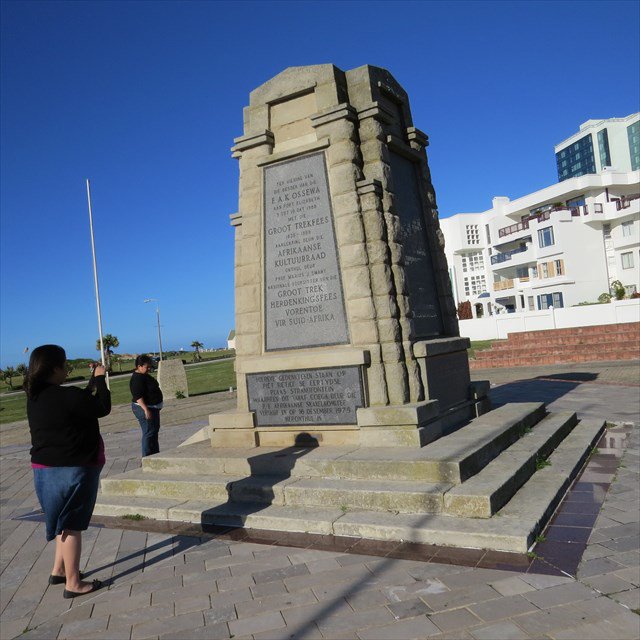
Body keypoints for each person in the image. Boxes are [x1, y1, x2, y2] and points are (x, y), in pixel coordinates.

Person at [25, 344, 110, 599]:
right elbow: (101, 407)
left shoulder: (34, 398)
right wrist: (100, 380)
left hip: (43, 469)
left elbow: (77, 407)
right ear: (54, 368)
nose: (67, 368)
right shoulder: (68, 395)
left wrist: (89, 386)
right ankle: (73, 583)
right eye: (65, 364)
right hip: (74, 468)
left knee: (61, 522)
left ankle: (59, 570)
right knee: (72, 525)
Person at [130, 354, 163, 457]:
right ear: (139, 366)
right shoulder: (137, 379)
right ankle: (147, 457)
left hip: (153, 407)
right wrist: (145, 410)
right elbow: (138, 396)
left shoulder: (144, 375)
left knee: (154, 431)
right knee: (149, 432)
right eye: (147, 367)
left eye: (149, 366)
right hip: (144, 408)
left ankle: (155, 455)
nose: (149, 368)